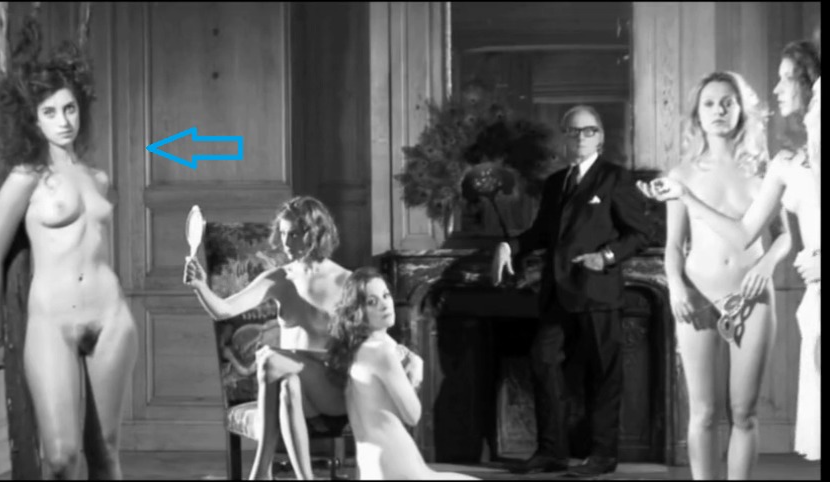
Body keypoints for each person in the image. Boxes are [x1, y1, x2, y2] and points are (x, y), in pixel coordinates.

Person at [639, 45, 820, 464]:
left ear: (741, 110)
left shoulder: (764, 169)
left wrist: (766, 265)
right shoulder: (682, 175)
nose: (718, 110)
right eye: (709, 104)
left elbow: (784, 237)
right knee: (702, 413)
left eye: (727, 102)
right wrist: (676, 287)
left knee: (744, 413)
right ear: (697, 114)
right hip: (699, 297)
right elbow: (673, 246)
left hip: (753, 299)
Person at [0, 18, 137, 479]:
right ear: (34, 119)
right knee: (62, 459)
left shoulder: (97, 178)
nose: (63, 121)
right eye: (50, 112)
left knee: (105, 453)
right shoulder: (25, 178)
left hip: (112, 318)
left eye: (69, 109)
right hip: (52, 324)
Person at [491, 105, 653, 477]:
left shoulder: (615, 178)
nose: (581, 137)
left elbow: (641, 233)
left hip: (598, 292)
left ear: (601, 137)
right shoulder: (555, 183)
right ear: (565, 137)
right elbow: (540, 233)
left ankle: (602, 456)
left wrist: (606, 256)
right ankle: (552, 452)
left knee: (604, 374)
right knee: (543, 360)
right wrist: (508, 247)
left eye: (589, 130)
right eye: (574, 131)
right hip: (558, 293)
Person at [185, 195, 352, 480]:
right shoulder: (280, 279)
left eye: (294, 234)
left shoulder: (346, 281)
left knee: (270, 358)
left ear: (315, 233)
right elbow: (223, 310)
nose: (286, 242)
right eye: (283, 233)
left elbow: (363, 341)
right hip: (297, 393)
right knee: (287, 384)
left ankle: (260, 473)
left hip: (332, 391)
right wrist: (200, 286)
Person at [326, 267, 478, 480]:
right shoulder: (381, 352)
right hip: (396, 468)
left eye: (386, 295)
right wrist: (416, 372)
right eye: (372, 302)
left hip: (372, 469)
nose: (384, 304)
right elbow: (413, 415)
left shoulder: (358, 350)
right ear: (358, 312)